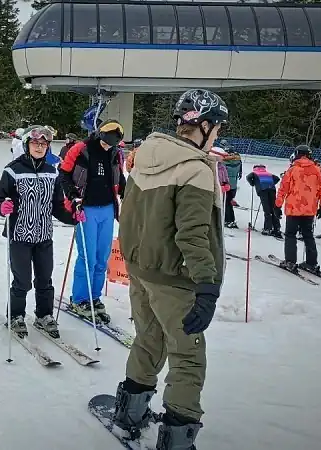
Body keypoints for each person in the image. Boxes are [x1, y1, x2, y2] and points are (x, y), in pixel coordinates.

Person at [111, 88, 228, 450]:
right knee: (187, 355)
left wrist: (133, 261)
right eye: (217, 127)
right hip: (175, 279)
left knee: (148, 339)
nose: (218, 134)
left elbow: (130, 216)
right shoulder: (195, 170)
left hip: (142, 271)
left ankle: (130, 413)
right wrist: (207, 285)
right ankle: (178, 437)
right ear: (204, 126)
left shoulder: (146, 156)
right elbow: (192, 235)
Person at [0, 126, 78, 337]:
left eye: (43, 144)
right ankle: (16, 315)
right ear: (27, 145)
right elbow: (0, 199)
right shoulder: (13, 170)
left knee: (44, 279)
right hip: (19, 235)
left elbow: (57, 205)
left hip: (43, 235)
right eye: (35, 143)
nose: (39, 147)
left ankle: (44, 315)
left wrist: (73, 217)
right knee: (22, 280)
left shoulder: (52, 172)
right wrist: (3, 207)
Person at [59, 119, 127, 324]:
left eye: (111, 144)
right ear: (99, 135)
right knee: (87, 256)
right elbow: (64, 174)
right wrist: (72, 195)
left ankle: (94, 297)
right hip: (86, 209)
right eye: (105, 142)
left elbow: (119, 178)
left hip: (107, 209)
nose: (107, 146)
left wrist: (128, 194)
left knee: (102, 257)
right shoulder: (81, 149)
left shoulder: (116, 153)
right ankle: (80, 299)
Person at [275, 145, 321, 275]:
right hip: (309, 209)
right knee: (308, 235)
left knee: (290, 235)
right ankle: (311, 263)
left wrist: (277, 206)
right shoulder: (317, 170)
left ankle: (290, 261)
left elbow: (283, 189)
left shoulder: (292, 170)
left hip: (294, 209)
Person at [245, 164, 282, 237]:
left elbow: (248, 177)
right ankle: (276, 228)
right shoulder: (268, 173)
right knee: (273, 209)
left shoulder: (254, 173)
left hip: (263, 190)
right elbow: (277, 178)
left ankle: (267, 228)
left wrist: (252, 183)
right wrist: (271, 183)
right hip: (272, 190)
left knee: (267, 210)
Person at [222, 148, 242, 228]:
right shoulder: (238, 162)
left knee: (225, 203)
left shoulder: (224, 162)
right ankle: (231, 219)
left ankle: (228, 220)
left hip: (225, 185)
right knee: (229, 203)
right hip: (233, 185)